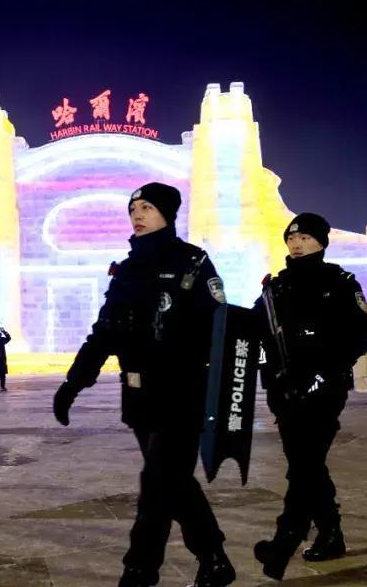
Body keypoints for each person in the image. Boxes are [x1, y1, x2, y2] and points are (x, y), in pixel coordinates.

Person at [52, 182, 235, 587]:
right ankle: (214, 558)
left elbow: (220, 328)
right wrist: (73, 383)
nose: (137, 214)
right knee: (174, 483)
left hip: (183, 393)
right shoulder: (127, 269)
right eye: (133, 208)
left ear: (167, 214)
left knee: (156, 483)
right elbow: (105, 331)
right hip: (140, 395)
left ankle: (140, 569)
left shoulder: (192, 262)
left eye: (147, 207)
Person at [250, 213, 367, 580]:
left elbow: (358, 335)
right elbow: (255, 329)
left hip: (324, 388)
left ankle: (285, 539)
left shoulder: (340, 282)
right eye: (291, 238)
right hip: (285, 389)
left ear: (321, 242)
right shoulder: (276, 287)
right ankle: (331, 534)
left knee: (305, 465)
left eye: (304, 237)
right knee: (305, 465)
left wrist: (324, 374)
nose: (296, 243)